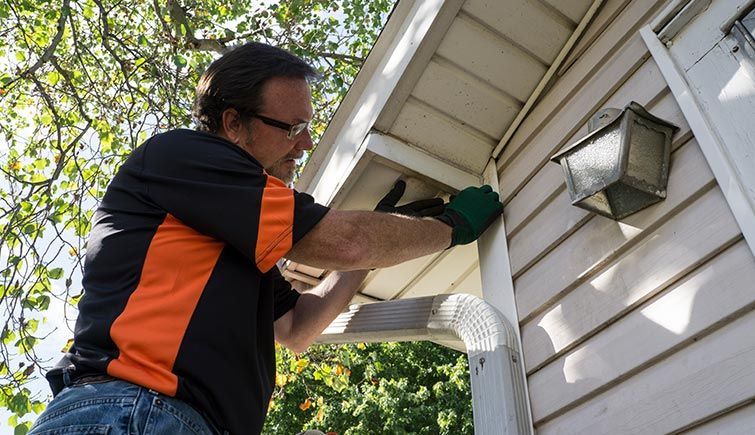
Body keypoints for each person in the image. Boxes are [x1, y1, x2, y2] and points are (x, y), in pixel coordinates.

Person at [29, 42, 503, 435]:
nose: (305, 143)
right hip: (130, 409)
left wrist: (370, 252)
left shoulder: (233, 241)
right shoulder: (184, 156)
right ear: (233, 124)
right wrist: (452, 228)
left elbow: (297, 327)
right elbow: (342, 241)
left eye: (308, 128)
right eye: (292, 127)